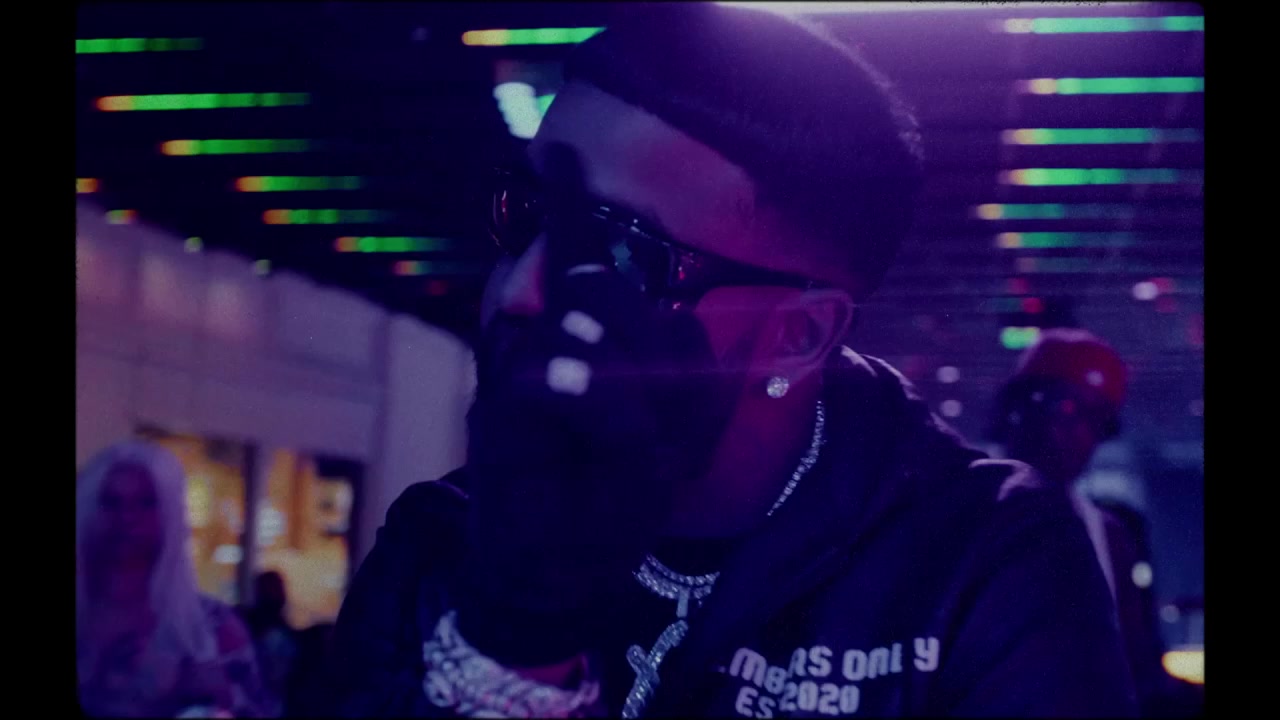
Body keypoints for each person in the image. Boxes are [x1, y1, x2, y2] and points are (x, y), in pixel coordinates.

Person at [333, 5, 1137, 717]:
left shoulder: (981, 566)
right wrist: (517, 631)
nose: (517, 290)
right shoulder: (440, 537)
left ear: (799, 335)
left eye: (620, 252)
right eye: (525, 211)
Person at [989, 328, 1203, 717]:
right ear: (1020, 409)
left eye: (1097, 420)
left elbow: (1138, 666)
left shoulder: (1109, 534)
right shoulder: (959, 517)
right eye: (1068, 408)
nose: (1081, 433)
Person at [76, 441, 271, 718]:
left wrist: (211, 694)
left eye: (146, 503)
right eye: (111, 502)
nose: (126, 517)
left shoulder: (213, 628)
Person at [238, 572, 297, 717]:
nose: (277, 595)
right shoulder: (245, 627)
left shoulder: (286, 632)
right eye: (270, 589)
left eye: (277, 589)